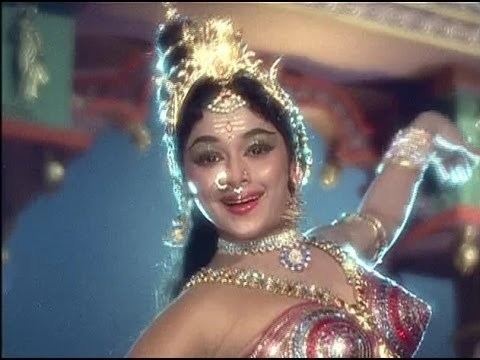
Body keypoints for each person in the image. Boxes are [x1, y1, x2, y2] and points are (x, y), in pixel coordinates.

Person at [128, 5, 480, 358]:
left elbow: (380, 216)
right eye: (209, 157)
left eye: (257, 149)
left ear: (295, 163)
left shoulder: (334, 249)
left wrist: (428, 128)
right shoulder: (201, 310)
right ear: (186, 181)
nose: (235, 175)